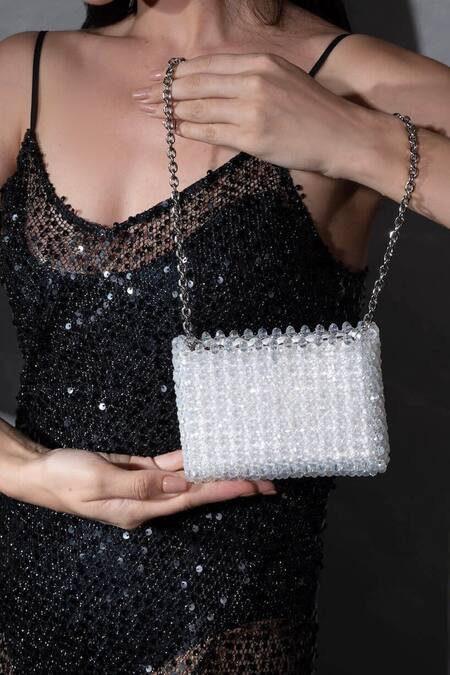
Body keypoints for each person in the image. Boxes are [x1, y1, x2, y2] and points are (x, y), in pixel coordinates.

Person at [0, 1, 448, 673]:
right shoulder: (24, 72)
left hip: (232, 640)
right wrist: (29, 472)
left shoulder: (347, 77)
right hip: (19, 619)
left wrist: (357, 138)